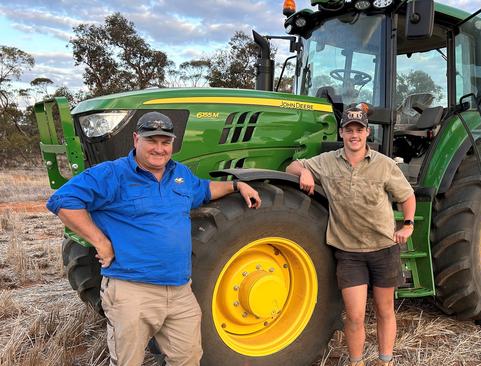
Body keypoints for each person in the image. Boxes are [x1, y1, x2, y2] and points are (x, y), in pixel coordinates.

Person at [46, 111, 261, 366]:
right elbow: (62, 200)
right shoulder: (112, 174)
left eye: (165, 142)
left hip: (180, 291)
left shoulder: (180, 174)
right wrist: (100, 242)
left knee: (189, 359)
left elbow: (204, 189)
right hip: (132, 290)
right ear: (136, 139)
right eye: (152, 140)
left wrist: (237, 186)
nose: (159, 149)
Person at [286, 105, 415, 366]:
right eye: (349, 130)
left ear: (367, 132)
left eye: (359, 130)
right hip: (349, 253)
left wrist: (408, 224)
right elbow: (292, 167)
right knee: (354, 316)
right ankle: (356, 362)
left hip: (383, 248)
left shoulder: (384, 165)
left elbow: (407, 196)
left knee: (384, 310)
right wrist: (305, 171)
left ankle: (385, 361)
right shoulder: (327, 161)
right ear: (342, 133)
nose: (354, 135)